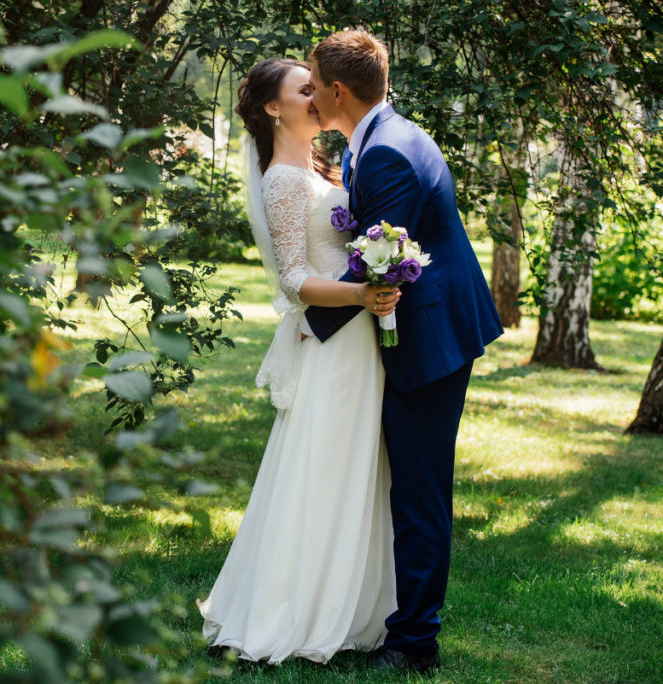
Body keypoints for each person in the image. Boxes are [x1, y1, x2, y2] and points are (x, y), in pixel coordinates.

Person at [304, 30, 504, 673]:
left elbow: (377, 265)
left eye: (314, 83)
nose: (309, 92)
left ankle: (416, 642)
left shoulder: (386, 151)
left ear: (338, 91)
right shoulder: (382, 136)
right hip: (427, 322)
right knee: (413, 487)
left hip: (428, 338)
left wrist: (305, 319)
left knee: (419, 492)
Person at [196, 57, 401, 665]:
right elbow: (293, 279)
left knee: (354, 469)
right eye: (304, 90)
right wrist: (364, 292)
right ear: (272, 109)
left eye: (316, 87)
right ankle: (302, 612)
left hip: (354, 338)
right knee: (324, 470)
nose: (317, 97)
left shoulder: (314, 170)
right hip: (334, 341)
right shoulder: (284, 179)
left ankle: (354, 608)